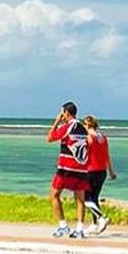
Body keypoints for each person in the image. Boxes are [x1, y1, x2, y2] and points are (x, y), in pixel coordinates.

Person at [46, 101, 90, 238]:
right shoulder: (83, 127)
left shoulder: (67, 127)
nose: (62, 116)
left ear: (66, 113)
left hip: (66, 167)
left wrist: (56, 122)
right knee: (80, 199)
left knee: (54, 194)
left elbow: (49, 138)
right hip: (81, 167)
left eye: (62, 113)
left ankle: (63, 225)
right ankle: (79, 229)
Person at [82, 115, 117, 235]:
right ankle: (94, 224)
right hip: (102, 172)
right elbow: (107, 156)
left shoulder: (89, 138)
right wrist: (111, 171)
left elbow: (83, 156)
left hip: (91, 171)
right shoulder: (103, 138)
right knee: (94, 198)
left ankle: (102, 218)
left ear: (87, 125)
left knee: (85, 198)